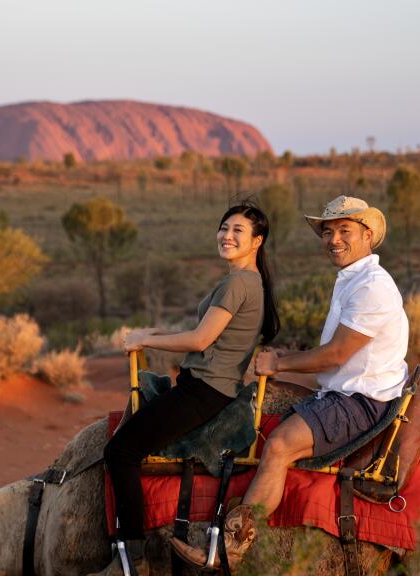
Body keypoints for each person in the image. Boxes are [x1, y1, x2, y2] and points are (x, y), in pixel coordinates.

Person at [171, 195, 409, 570]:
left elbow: (335, 354)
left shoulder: (371, 288)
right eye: (328, 232)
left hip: (359, 401)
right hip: (342, 391)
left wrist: (279, 363)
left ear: (368, 235)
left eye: (344, 231)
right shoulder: (353, 278)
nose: (333, 240)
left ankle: (232, 548)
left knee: (279, 444)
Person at [90, 203, 280, 576]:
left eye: (238, 231)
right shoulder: (248, 281)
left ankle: (132, 559)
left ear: (257, 241)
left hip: (204, 390)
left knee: (121, 451)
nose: (227, 235)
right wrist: (150, 335)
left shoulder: (238, 282)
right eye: (224, 227)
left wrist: (150, 340)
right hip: (209, 386)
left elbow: (200, 340)